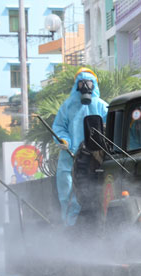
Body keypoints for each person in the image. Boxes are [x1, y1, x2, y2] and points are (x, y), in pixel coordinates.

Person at [52, 68, 108, 226]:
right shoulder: (67, 106)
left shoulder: (102, 106)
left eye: (88, 83)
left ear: (94, 85)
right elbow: (59, 127)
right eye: (82, 83)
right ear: (76, 85)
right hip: (69, 158)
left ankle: (95, 227)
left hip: (95, 159)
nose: (85, 86)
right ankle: (69, 228)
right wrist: (64, 140)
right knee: (68, 194)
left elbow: (112, 126)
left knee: (92, 194)